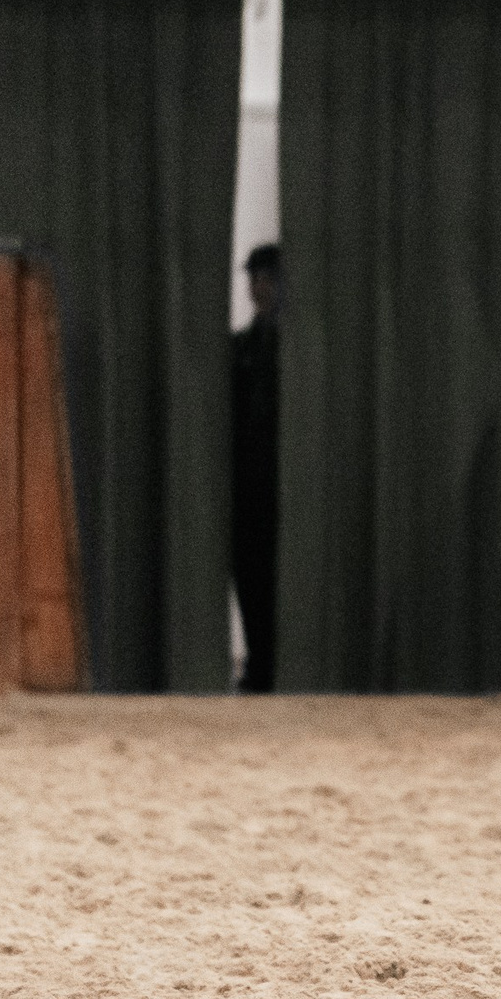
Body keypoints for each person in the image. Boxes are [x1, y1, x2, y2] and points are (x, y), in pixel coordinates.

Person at [230, 243, 282, 693]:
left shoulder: (302, 356)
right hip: (248, 486)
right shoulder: (238, 349)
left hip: (284, 486)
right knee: (250, 578)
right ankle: (259, 666)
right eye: (253, 279)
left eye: (265, 278)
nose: (257, 288)